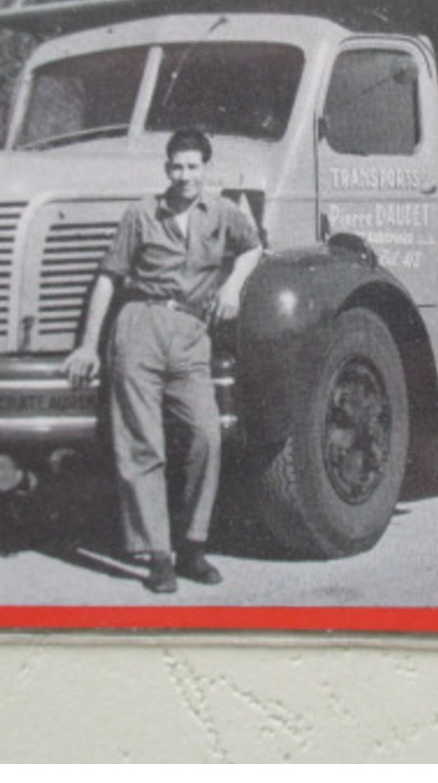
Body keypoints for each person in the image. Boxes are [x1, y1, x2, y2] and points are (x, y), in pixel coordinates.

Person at [63, 128, 262, 593]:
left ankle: (192, 546)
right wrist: (88, 345)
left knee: (205, 435)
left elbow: (253, 248)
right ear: (166, 168)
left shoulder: (224, 213)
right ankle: (156, 556)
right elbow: (109, 278)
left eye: (193, 166)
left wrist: (232, 285)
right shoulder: (141, 213)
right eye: (177, 166)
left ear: (205, 169)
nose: (184, 175)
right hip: (140, 327)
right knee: (142, 445)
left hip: (193, 336)